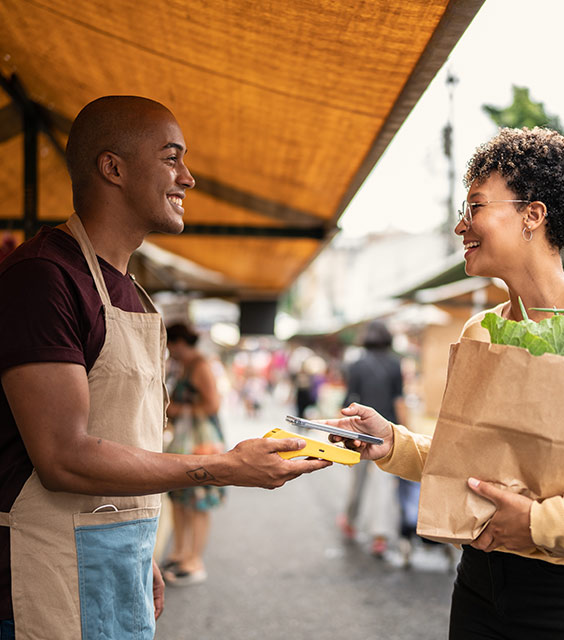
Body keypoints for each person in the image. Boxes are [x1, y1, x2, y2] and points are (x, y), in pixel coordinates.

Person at [0, 95, 330, 640]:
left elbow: (120, 438)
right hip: (44, 576)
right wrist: (226, 467)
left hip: (119, 554)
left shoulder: (135, 294)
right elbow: (63, 458)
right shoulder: (42, 277)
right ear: (113, 168)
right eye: (171, 157)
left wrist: (137, 545)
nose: (189, 178)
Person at [328, 127, 564, 638]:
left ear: (532, 215)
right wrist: (392, 443)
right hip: (482, 583)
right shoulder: (479, 331)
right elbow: (471, 462)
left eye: (475, 206)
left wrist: (544, 525)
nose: (460, 225)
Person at [163, 323, 226, 586]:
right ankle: (181, 553)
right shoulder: (186, 366)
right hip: (187, 440)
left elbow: (213, 404)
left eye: (169, 344)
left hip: (201, 440)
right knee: (179, 498)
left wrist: (178, 410)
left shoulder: (200, 366)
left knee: (198, 501)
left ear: (178, 343)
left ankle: (194, 560)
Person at [337, 321, 406, 557]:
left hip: (360, 432)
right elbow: (399, 401)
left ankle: (350, 520)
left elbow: (347, 401)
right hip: (388, 431)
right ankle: (380, 536)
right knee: (384, 484)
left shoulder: (356, 365)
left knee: (357, 481)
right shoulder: (395, 364)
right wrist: (406, 431)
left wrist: (340, 432)